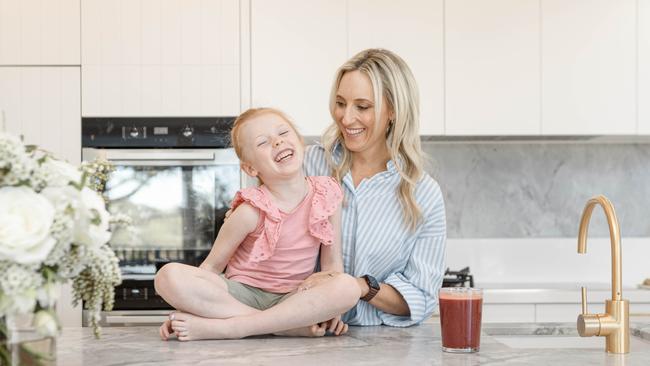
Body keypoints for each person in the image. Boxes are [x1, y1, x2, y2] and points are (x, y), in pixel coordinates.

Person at [154, 108, 361, 341]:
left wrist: (331, 309)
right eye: (263, 142)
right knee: (167, 276)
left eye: (283, 132)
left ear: (301, 142)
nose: (277, 141)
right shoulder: (250, 211)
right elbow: (211, 268)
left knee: (348, 287)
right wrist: (189, 306)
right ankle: (280, 327)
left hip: (295, 298)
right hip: (241, 295)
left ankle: (237, 326)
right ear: (251, 168)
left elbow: (332, 266)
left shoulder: (326, 195)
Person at [300, 48, 447, 327]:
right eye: (341, 103)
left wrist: (361, 287)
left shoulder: (422, 193)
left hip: (378, 346)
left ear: (393, 110)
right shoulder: (309, 165)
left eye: (362, 106)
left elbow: (422, 297)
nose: (345, 117)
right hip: (300, 334)